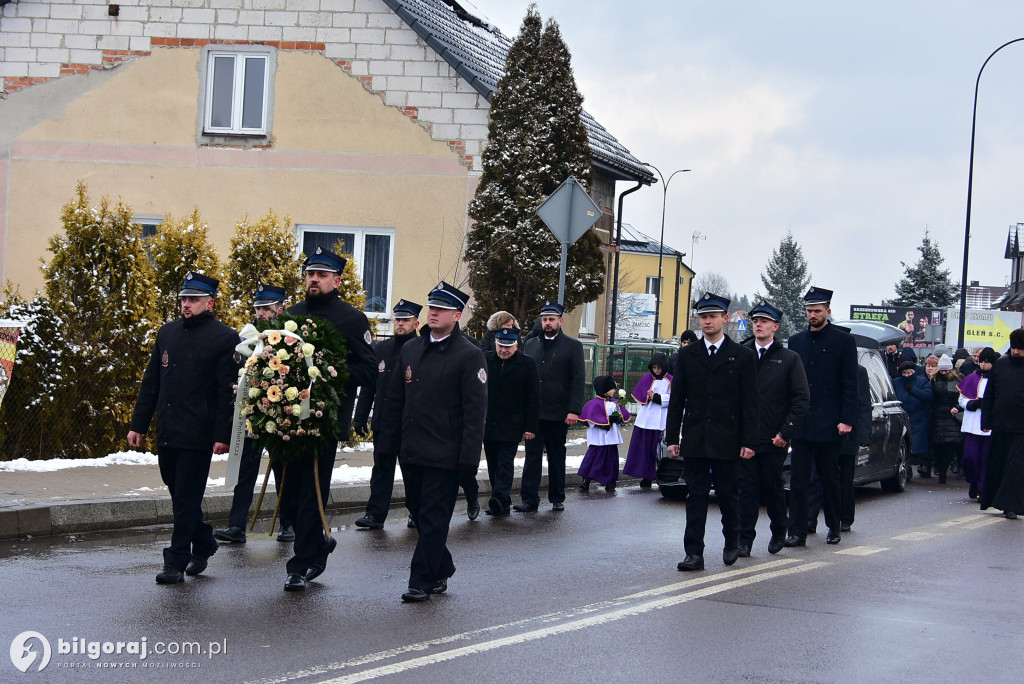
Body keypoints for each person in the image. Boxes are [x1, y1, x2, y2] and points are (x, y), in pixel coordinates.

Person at [377, 281, 487, 602]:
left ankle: (420, 581)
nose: (433, 313)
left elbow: (474, 412)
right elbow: (395, 401)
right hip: (411, 452)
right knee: (420, 512)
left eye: (441, 308)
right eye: (432, 307)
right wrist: (387, 443)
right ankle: (443, 566)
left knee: (434, 516)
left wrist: (468, 459)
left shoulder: (470, 356)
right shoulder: (412, 349)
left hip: (445, 455)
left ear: (457, 315)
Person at [127, 272, 239, 584]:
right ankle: (203, 540)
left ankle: (175, 560)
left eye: (193, 300)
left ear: (210, 302)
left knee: (187, 498)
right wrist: (139, 425)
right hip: (169, 429)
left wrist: (222, 434)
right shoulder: (168, 333)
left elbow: (225, 391)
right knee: (179, 495)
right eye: (183, 299)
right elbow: (151, 383)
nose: (186, 305)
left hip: (199, 433)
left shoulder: (225, 338)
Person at [280, 247, 377, 591]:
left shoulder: (351, 319)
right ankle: (319, 539)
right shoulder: (290, 315)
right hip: (285, 420)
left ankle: (303, 563)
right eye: (310, 274)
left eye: (321, 275)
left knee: (309, 491)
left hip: (323, 420)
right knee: (288, 492)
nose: (314, 280)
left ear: (336, 280)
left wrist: (328, 371)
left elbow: (369, 369)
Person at [665, 292, 758, 571]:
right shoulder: (687, 354)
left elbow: (750, 403)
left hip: (728, 439)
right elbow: (677, 399)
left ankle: (732, 541)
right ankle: (694, 552)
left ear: (724, 319)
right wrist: (672, 437)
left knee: (729, 495)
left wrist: (748, 441)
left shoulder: (742, 356)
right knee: (695, 496)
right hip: (695, 437)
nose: (707, 322)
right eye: (703, 317)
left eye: (712, 317)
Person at [215, 283, 293, 544]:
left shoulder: (289, 338)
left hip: (279, 413)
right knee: (245, 470)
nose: (261, 314)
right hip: (250, 414)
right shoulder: (245, 338)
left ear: (279, 309)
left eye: (266, 309)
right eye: (258, 308)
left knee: (283, 470)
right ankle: (236, 526)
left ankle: (288, 524)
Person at [785, 287, 858, 548]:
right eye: (809, 311)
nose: (813, 315)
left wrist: (846, 419)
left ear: (828, 311)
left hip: (831, 423)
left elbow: (851, 384)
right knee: (798, 479)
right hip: (802, 422)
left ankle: (834, 525)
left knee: (830, 477)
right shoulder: (796, 342)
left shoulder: (843, 342)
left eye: (817, 310)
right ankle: (797, 531)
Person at [737, 302, 809, 557]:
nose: (758, 324)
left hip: (773, 438)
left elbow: (801, 399)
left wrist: (785, 433)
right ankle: (744, 539)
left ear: (775, 327)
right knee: (746, 489)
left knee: (772, 487)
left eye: (765, 321)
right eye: (756, 320)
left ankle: (780, 530)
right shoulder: (742, 353)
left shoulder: (789, 359)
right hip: (745, 437)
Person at [352, 299, 422, 530]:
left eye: (405, 320)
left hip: (410, 423)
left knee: (412, 472)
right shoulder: (380, 349)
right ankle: (375, 514)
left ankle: (417, 513)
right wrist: (361, 417)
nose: (400, 324)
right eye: (397, 320)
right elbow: (369, 386)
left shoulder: (421, 349)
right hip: (384, 421)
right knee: (381, 470)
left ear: (416, 322)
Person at [515, 300, 585, 513]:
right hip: (535, 413)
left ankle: (557, 497)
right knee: (532, 456)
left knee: (556, 456)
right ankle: (529, 499)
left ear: (560, 321)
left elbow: (578, 379)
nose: (547, 323)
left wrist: (574, 410)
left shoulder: (573, 346)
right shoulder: (531, 344)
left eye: (551, 319)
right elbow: (525, 379)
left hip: (559, 412)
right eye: (544, 319)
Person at [482, 327, 539, 516]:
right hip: (489, 423)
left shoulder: (527, 364)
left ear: (516, 345)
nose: (503, 350)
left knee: (505, 463)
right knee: (492, 463)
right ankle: (501, 502)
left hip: (512, 424)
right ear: (495, 344)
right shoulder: (486, 360)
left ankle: (498, 498)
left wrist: (530, 426)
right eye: (500, 346)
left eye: (508, 346)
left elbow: (532, 397)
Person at [979, 329, 1024, 519]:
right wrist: (986, 420)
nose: (1016, 352)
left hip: (1022, 427)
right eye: (1014, 348)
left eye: (1021, 349)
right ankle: (997, 501)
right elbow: (989, 395)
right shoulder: (1001, 365)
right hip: (1000, 424)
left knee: (1016, 466)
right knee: (999, 464)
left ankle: (1010, 505)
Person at [622, 353, 672, 488]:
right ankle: (646, 476)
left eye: (659, 368)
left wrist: (656, 397)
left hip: (661, 421)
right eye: (654, 367)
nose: (656, 371)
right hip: (645, 420)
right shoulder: (646, 378)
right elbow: (639, 396)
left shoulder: (670, 380)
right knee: (644, 450)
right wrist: (647, 397)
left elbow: (673, 399)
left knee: (658, 451)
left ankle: (662, 475)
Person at [578, 376, 631, 492]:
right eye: (611, 388)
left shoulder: (616, 403)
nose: (614, 391)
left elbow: (625, 417)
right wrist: (604, 423)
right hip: (598, 438)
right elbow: (589, 420)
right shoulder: (593, 404)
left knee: (611, 460)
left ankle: (610, 481)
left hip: (611, 438)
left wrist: (618, 419)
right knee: (593, 458)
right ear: (603, 389)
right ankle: (586, 480)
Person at [958, 347, 998, 500]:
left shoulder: (997, 380)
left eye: (986, 362)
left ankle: (982, 489)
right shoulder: (972, 378)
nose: (983, 365)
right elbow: (961, 400)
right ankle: (973, 482)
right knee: (970, 458)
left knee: (985, 460)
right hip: (972, 425)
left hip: (989, 427)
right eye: (981, 362)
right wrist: (972, 404)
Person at [894, 360, 934, 478]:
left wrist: (912, 389)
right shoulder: (897, 382)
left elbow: (928, 396)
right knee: (905, 444)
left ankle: (923, 466)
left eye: (909, 372)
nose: (907, 375)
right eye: (904, 373)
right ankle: (907, 468)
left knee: (918, 444)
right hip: (903, 417)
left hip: (919, 418)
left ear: (914, 372)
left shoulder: (922, 381)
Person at [928, 354, 962, 484]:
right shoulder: (934, 380)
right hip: (937, 415)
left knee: (949, 445)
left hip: (951, 415)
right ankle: (941, 471)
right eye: (941, 370)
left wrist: (957, 407)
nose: (943, 372)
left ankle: (943, 471)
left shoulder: (958, 380)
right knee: (938, 446)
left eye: (945, 370)